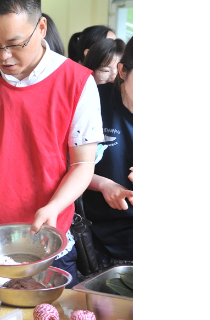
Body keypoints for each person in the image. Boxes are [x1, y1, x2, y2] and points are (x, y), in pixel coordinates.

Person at [0, 0, 103, 288]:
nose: (4, 56)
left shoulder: (77, 82)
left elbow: (83, 164)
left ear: (42, 28)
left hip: (47, 239)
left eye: (14, 43)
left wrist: (56, 206)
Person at [82, 36, 133, 268]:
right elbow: (62, 164)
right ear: (122, 71)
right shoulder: (92, 100)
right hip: (95, 237)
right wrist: (103, 184)